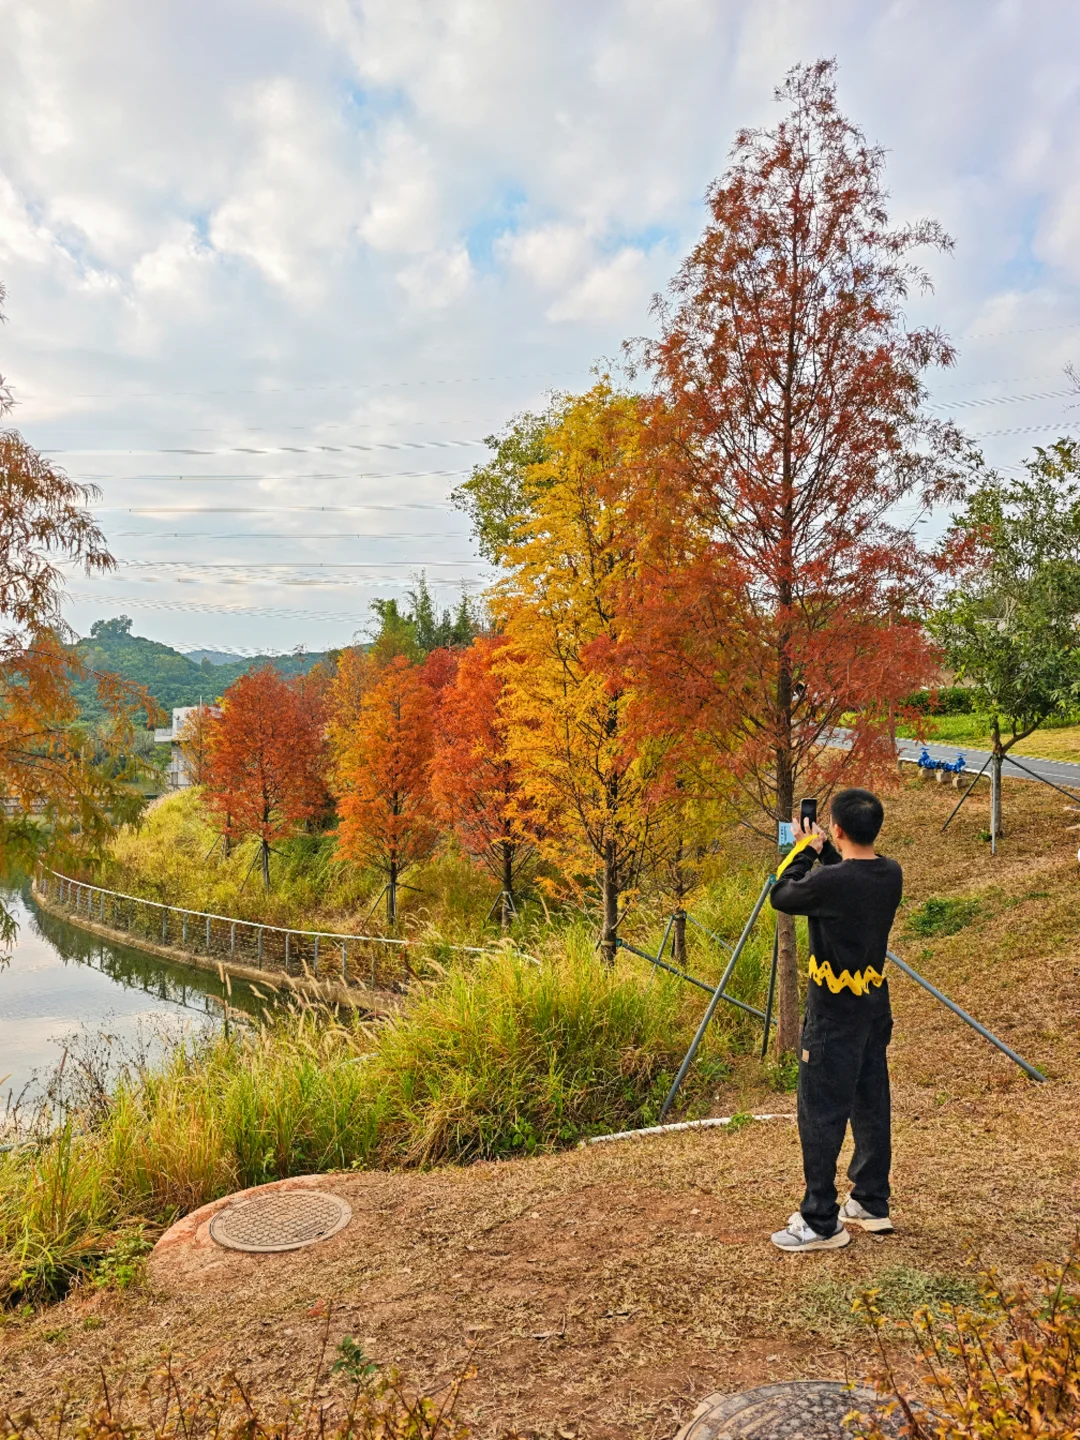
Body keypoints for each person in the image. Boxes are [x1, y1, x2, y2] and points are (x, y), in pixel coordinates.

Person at [767, 787, 903, 1253]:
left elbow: (782, 894)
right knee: (870, 1101)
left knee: (820, 1112)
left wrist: (802, 851)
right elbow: (850, 881)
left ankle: (821, 1220)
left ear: (839, 828)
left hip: (833, 1016)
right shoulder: (891, 873)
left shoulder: (833, 883)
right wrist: (828, 851)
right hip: (872, 1008)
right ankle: (870, 1201)